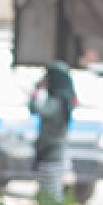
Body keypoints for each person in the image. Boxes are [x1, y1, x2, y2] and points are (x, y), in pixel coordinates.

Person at [30, 63, 77, 197]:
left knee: (50, 194)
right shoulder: (64, 100)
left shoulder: (57, 102)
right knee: (51, 191)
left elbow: (35, 109)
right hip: (54, 153)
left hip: (51, 154)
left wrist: (36, 90)